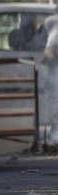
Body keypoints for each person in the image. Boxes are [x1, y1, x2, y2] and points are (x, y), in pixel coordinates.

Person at [43, 8, 58, 147]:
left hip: (52, 63)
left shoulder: (49, 20)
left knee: (54, 102)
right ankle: (54, 139)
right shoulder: (51, 21)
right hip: (53, 63)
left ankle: (54, 139)